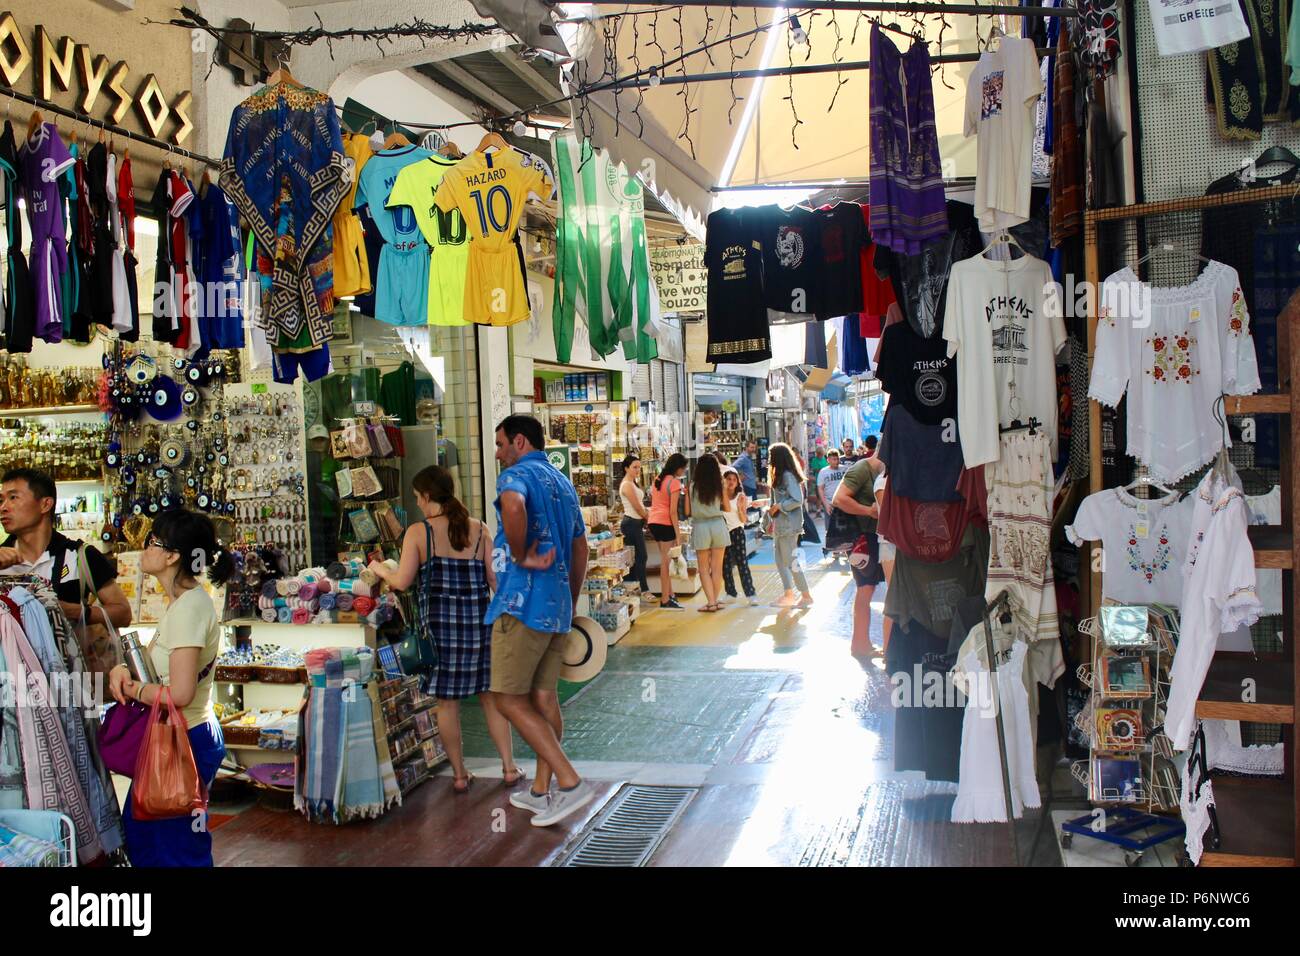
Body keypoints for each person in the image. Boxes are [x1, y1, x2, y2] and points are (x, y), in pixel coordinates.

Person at [368, 465, 522, 794]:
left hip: (439, 630)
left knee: (447, 704)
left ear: (427, 496)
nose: (417, 503)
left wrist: (380, 570)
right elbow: (495, 580)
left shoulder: (418, 532)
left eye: (417, 497)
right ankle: (509, 768)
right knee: (491, 699)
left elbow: (403, 581)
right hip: (479, 625)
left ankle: (460, 775)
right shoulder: (479, 529)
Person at [107, 509, 232, 866]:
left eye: (152, 542)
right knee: (153, 841)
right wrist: (123, 670)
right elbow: (158, 670)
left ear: (173, 555)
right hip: (176, 739)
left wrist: (134, 690)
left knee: (174, 849)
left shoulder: (189, 608)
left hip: (182, 743)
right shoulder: (183, 604)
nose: (144, 548)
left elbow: (179, 694)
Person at [487, 415, 593, 827]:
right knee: (545, 697)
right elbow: (580, 548)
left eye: (501, 444)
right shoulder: (562, 483)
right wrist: (570, 598)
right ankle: (539, 791)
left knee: (507, 698)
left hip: (522, 604)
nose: (498, 453)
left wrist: (521, 554)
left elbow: (512, 504)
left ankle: (569, 782)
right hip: (556, 606)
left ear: (519, 441)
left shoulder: (517, 476)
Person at [0, 468, 132, 665]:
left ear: (45, 504)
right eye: (1, 500)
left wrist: (72, 611)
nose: (3, 507)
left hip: (73, 675)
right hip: (13, 677)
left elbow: (123, 614)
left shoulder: (80, 555)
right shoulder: (2, 560)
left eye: (13, 498)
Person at [832, 454, 887, 661]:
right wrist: (869, 511)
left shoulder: (874, 470)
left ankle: (860, 643)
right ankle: (860, 644)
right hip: (862, 538)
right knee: (865, 588)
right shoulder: (862, 469)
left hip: (870, 537)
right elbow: (839, 499)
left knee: (867, 588)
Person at [768, 442, 813, 608]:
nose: (769, 459)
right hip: (782, 525)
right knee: (781, 561)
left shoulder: (786, 476)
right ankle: (789, 594)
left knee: (790, 561)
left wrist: (778, 506)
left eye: (771, 456)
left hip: (788, 525)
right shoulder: (781, 475)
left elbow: (797, 499)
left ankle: (806, 595)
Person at [647, 453, 688, 611]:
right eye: (683, 468)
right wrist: (678, 535)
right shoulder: (675, 483)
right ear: (678, 468)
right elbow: (673, 512)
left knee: (665, 559)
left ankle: (670, 594)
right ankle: (665, 600)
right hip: (665, 523)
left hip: (653, 522)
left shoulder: (658, 479)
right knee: (666, 563)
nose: (684, 471)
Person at [690, 454, 730, 612]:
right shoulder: (720, 485)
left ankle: (711, 602)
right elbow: (727, 507)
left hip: (701, 526)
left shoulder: (693, 486)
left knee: (703, 569)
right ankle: (714, 600)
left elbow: (688, 510)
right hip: (718, 525)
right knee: (717, 568)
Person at [618, 455, 656, 604]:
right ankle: (643, 590)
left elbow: (640, 505)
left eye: (639, 467)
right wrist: (649, 518)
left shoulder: (633, 483)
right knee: (640, 557)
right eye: (634, 467)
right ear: (626, 468)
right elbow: (637, 508)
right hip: (631, 524)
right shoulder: (627, 485)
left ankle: (634, 589)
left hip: (636, 523)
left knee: (636, 558)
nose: (637, 470)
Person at [720, 466, 758, 605]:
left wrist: (741, 509)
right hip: (723, 532)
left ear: (737, 482)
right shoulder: (720, 495)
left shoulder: (740, 496)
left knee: (742, 563)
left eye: (734, 480)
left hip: (737, 531)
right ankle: (730, 593)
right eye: (728, 479)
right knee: (725, 564)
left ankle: (751, 594)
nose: (731, 482)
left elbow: (743, 520)